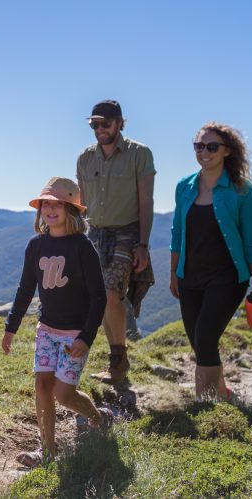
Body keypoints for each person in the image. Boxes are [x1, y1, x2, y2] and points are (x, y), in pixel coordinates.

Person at [2, 177, 112, 467]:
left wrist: (85, 337)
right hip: (47, 331)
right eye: (45, 204)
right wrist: (10, 328)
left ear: (71, 210)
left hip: (75, 333)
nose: (50, 210)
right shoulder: (35, 245)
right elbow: (26, 289)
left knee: (63, 394)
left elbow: (99, 298)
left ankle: (98, 417)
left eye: (57, 204)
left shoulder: (82, 247)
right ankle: (47, 452)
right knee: (42, 387)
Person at [169, 122, 252, 401]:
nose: (204, 152)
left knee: (206, 338)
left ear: (227, 151)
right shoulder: (184, 187)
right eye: (199, 146)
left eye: (212, 147)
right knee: (199, 344)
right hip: (190, 277)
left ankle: (208, 406)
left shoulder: (241, 190)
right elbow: (177, 233)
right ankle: (222, 393)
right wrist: (175, 273)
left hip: (227, 278)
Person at [76, 100, 156, 384]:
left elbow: (146, 201)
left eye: (105, 123)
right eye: (94, 124)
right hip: (93, 233)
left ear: (120, 122)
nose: (99, 129)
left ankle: (118, 363)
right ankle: (110, 360)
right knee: (98, 297)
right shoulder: (85, 158)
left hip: (127, 232)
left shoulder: (140, 154)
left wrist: (143, 244)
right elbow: (82, 204)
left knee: (111, 294)